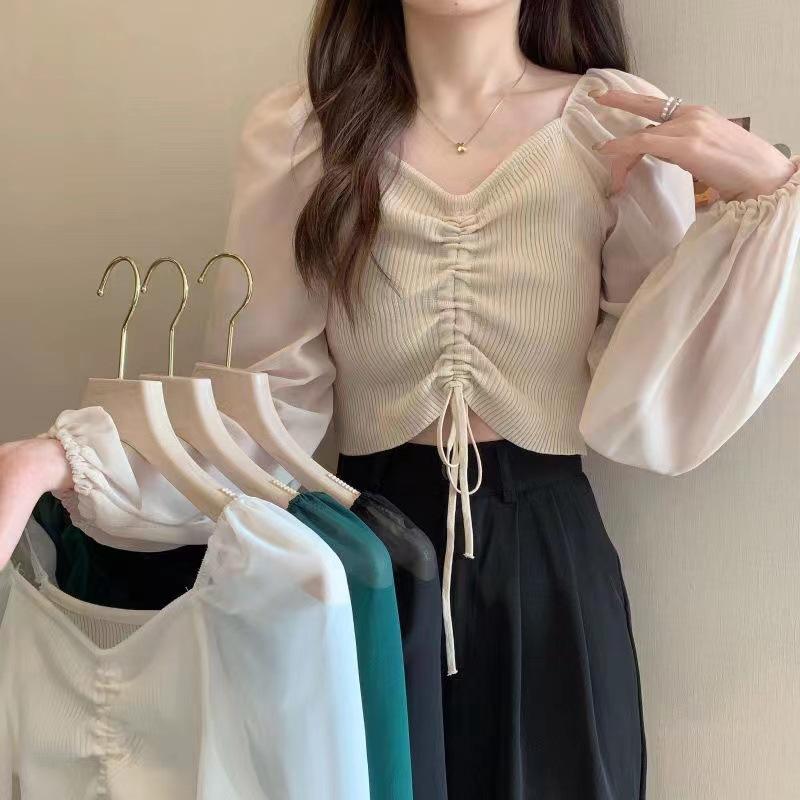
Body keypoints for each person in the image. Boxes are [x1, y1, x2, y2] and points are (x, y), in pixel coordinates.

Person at [1, 1, 798, 798]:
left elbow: (657, 395)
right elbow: (260, 413)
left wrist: (772, 193)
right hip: (364, 560)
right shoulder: (307, 135)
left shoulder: (613, 123)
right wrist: (62, 461)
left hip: (552, 570)